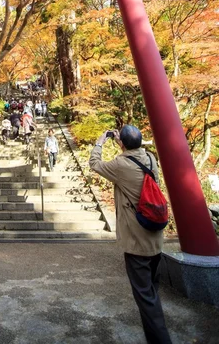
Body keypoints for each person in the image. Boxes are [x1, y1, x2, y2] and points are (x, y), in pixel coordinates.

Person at [89, 125, 172, 344]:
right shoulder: (151, 158)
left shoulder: (121, 164)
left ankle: (161, 340)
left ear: (122, 143)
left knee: (145, 297)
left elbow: (94, 164)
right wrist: (123, 144)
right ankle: (155, 335)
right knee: (152, 292)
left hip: (137, 242)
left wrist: (100, 142)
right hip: (155, 239)